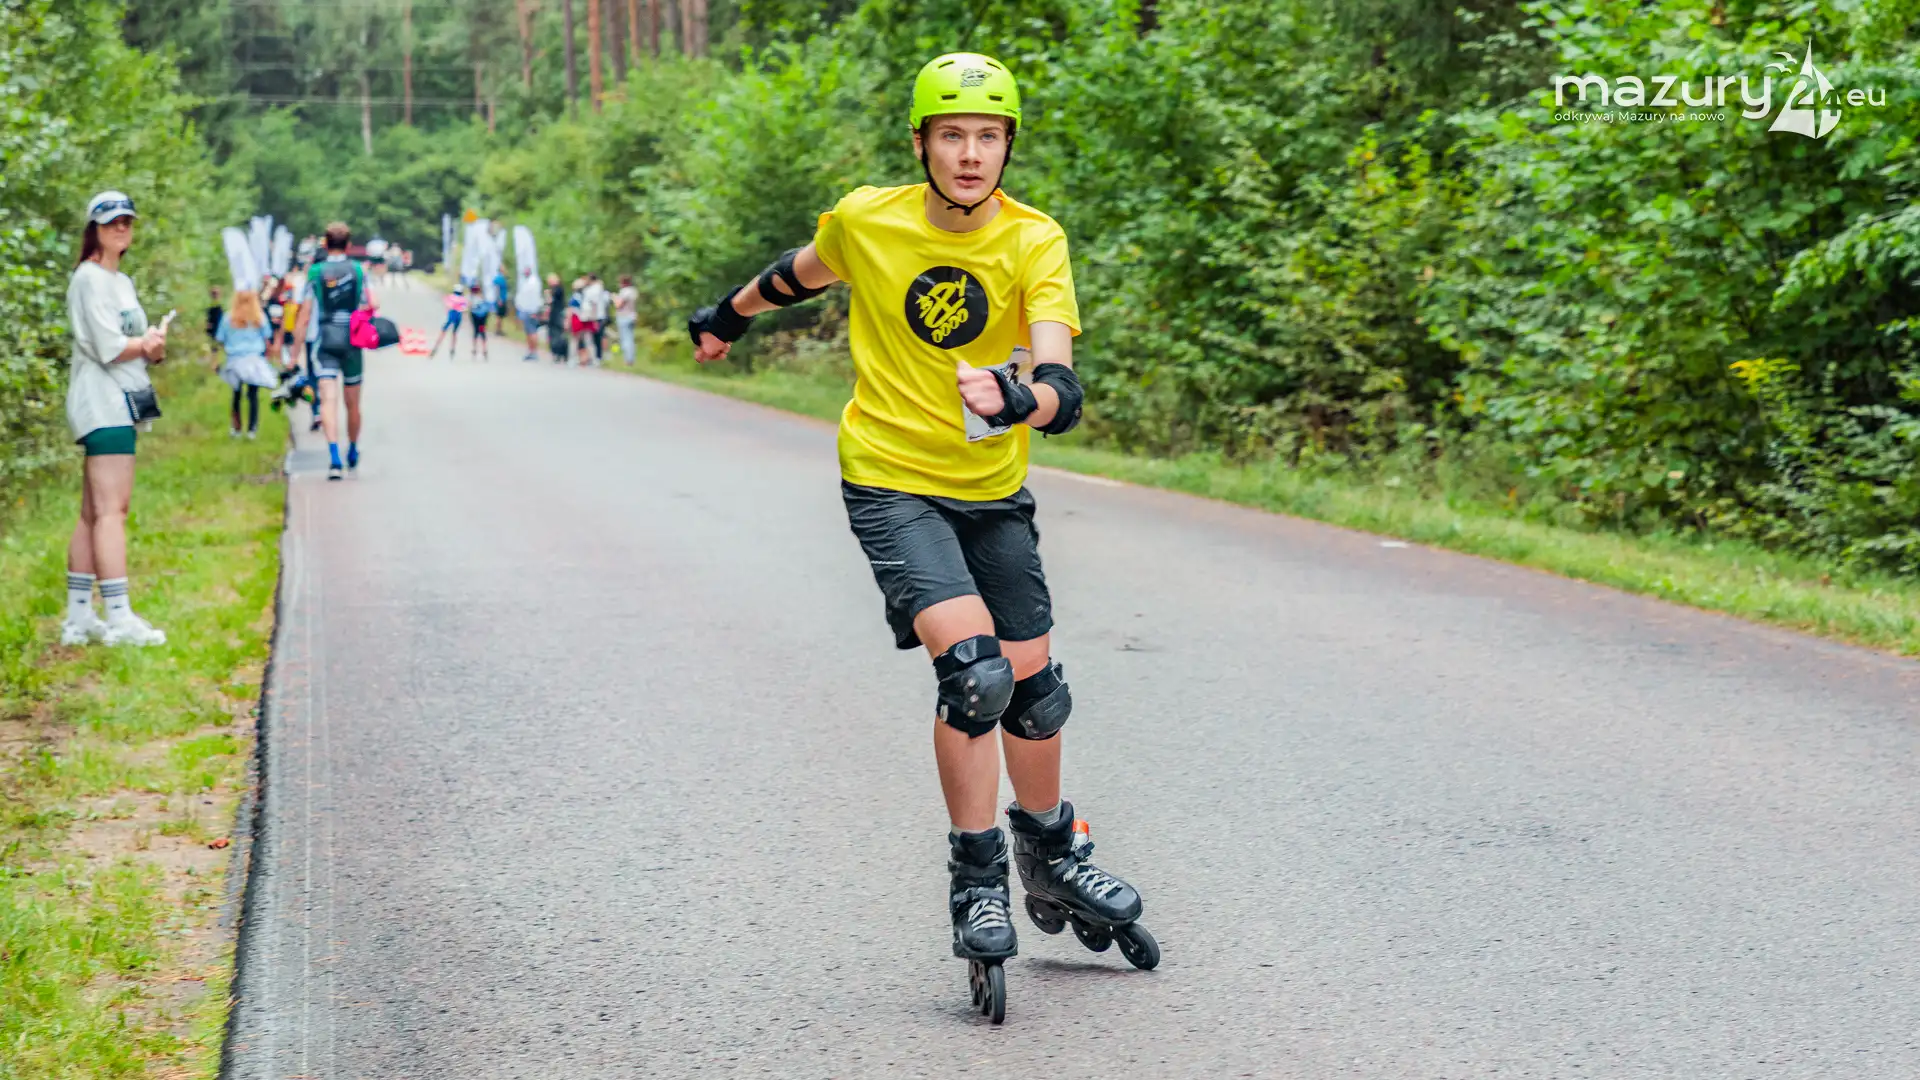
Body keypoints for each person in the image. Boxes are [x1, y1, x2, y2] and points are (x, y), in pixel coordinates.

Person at [685, 53, 1151, 1022]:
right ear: (921, 144)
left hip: (992, 489)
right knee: (976, 674)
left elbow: (1062, 382)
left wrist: (1021, 398)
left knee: (1036, 690)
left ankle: (1051, 851)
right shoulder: (869, 220)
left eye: (987, 136)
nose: (970, 153)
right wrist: (725, 316)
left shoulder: (1034, 239)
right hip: (890, 478)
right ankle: (978, 878)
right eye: (951, 135)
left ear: (1007, 146)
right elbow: (796, 274)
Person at [61, 190, 169, 647]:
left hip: (121, 400)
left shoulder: (119, 281)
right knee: (112, 511)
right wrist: (146, 345)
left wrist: (152, 348)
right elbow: (108, 346)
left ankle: (79, 617)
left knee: (92, 513)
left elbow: (132, 342)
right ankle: (120, 618)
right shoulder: (89, 279)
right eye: (111, 222)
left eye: (126, 221)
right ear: (95, 229)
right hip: (102, 403)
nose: (121, 228)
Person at [292, 221, 373, 480]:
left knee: (328, 399)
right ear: (348, 245)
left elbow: (304, 314)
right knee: (353, 403)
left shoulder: (315, 272)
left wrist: (294, 353)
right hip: (352, 341)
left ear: (325, 244)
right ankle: (353, 449)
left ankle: (334, 458)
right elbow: (370, 304)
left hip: (325, 341)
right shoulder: (358, 270)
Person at [213, 288, 277, 439]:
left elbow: (220, 339)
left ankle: (236, 428)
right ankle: (252, 429)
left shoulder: (228, 318)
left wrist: (215, 360)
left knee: (236, 395)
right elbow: (268, 336)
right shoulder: (259, 318)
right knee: (253, 395)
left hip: (234, 361)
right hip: (254, 361)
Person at [515, 266, 545, 362]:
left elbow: (535, 298)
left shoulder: (533, 283)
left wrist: (535, 311)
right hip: (526, 310)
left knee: (532, 331)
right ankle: (530, 350)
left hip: (532, 311)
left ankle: (534, 351)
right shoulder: (528, 282)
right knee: (528, 332)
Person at [430, 284, 467, 359]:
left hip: (451, 317)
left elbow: (447, 305)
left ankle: (435, 348)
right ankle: (452, 349)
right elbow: (463, 309)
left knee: (443, 332)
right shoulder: (463, 299)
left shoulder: (450, 297)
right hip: (458, 317)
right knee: (454, 333)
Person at [582, 272, 610, 364]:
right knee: (599, 336)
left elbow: (594, 304)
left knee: (596, 337)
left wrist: (594, 319)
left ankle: (598, 357)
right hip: (599, 315)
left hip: (595, 316)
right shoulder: (599, 288)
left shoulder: (594, 289)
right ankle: (598, 356)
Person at [614, 274, 639, 365]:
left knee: (625, 338)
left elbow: (618, 305)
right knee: (630, 338)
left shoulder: (624, 292)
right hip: (632, 316)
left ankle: (628, 359)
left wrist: (614, 298)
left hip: (624, 316)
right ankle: (631, 357)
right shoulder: (633, 291)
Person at [545, 273, 569, 364]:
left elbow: (550, 301)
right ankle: (557, 354)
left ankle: (560, 354)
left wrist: (547, 294)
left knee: (558, 336)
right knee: (554, 335)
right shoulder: (556, 289)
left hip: (558, 315)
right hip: (554, 315)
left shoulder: (558, 289)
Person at [468, 282, 492, 361]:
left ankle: (475, 349)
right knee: (482, 332)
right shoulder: (483, 297)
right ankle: (484, 350)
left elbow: (470, 307)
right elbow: (487, 309)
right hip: (482, 318)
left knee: (476, 332)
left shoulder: (472, 297)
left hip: (476, 317)